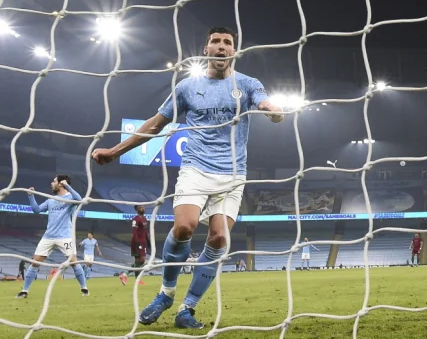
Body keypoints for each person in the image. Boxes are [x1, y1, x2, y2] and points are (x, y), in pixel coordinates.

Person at [91, 26, 284, 329]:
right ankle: (166, 293)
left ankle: (187, 308)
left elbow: (265, 101)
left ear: (234, 51)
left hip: (233, 173)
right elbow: (155, 125)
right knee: (184, 227)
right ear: (206, 49)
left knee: (220, 238)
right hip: (195, 168)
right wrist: (115, 151)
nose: (221, 47)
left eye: (227, 43)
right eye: (216, 42)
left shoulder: (248, 84)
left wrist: (272, 109)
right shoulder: (186, 87)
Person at [18, 175, 89, 299]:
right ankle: (25, 290)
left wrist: (68, 186)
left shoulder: (70, 197)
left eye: (54, 181)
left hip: (65, 236)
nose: (52, 183)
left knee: (74, 262)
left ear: (61, 183)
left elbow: (79, 200)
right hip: (49, 236)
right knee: (35, 262)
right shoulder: (51, 199)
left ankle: (84, 288)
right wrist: (31, 195)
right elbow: (36, 210)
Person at [121, 205, 149, 286]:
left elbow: (144, 231)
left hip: (143, 242)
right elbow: (134, 232)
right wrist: (138, 243)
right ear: (137, 210)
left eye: (143, 207)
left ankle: (134, 278)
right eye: (141, 207)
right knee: (141, 260)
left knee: (140, 261)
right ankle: (125, 275)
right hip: (137, 242)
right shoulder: (135, 219)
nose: (143, 208)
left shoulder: (144, 218)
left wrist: (148, 240)